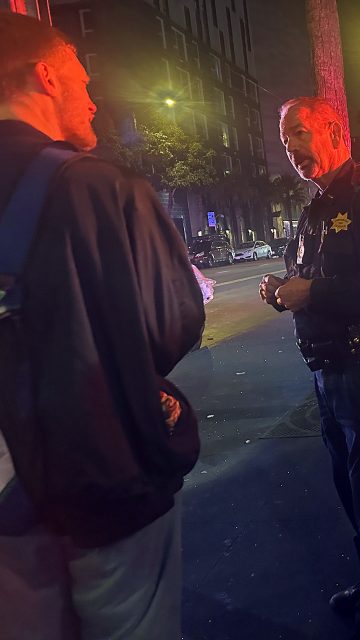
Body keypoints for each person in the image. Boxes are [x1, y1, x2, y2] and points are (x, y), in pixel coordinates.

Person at [0, 13, 204, 639]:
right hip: (104, 480)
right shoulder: (100, 187)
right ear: (45, 77)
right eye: (82, 81)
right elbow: (172, 324)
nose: (94, 99)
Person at [259, 97, 360, 640]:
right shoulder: (320, 205)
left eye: (300, 133)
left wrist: (312, 291)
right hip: (333, 373)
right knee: (353, 487)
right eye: (286, 142)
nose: (293, 149)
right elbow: (312, 279)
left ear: (333, 129)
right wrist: (283, 292)